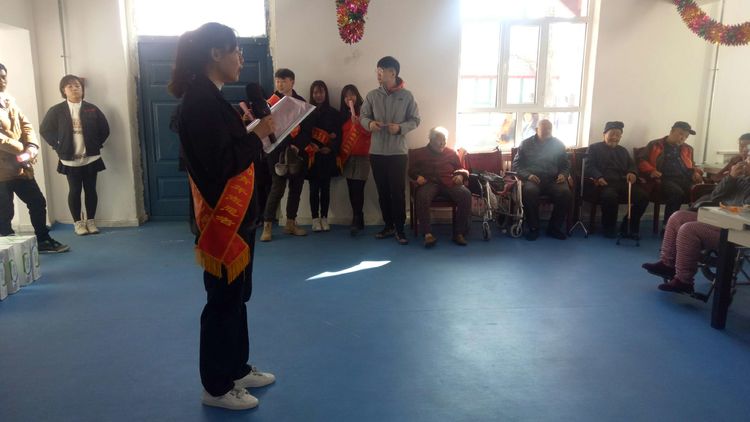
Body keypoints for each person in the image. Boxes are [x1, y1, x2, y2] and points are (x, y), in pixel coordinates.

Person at [169, 22, 275, 410]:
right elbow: (221, 165)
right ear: (215, 53)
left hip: (239, 216)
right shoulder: (200, 102)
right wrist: (257, 135)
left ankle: (236, 368)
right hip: (222, 220)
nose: (241, 59)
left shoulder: (212, 98)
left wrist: (251, 132)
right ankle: (215, 387)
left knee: (237, 297)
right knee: (222, 302)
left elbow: (226, 150)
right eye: (236, 51)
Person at [642, 158, 750, 294]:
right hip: (723, 220)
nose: (746, 161)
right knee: (677, 217)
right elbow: (715, 197)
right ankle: (667, 264)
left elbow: (746, 208)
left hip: (739, 231)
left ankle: (684, 281)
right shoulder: (740, 179)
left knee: (689, 229)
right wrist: (731, 178)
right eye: (748, 157)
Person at [0, 63, 69, 253]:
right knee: (4, 212)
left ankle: (43, 240)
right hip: (2, 171)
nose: (2, 80)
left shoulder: (8, 99)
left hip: (20, 167)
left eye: (4, 76)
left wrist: (31, 147)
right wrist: (22, 149)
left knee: (37, 202)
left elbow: (26, 125)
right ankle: (9, 251)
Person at [361, 56, 420, 245]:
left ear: (392, 73)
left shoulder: (407, 96)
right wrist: (370, 124)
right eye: (377, 70)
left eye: (381, 71)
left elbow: (415, 120)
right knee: (383, 191)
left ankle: (400, 229)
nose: (377, 74)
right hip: (377, 152)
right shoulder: (372, 95)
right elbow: (363, 117)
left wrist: (400, 128)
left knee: (397, 192)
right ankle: (388, 226)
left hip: (398, 153)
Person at [40, 74, 110, 236]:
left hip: (91, 157)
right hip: (69, 159)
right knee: (75, 190)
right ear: (63, 90)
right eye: (70, 86)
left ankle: (91, 221)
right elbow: (45, 130)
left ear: (82, 89)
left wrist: (95, 144)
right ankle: (78, 223)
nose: (74, 89)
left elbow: (105, 129)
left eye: (77, 86)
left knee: (91, 189)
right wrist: (57, 145)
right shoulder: (57, 110)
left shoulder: (91, 108)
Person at [260, 68, 310, 241]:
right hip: (276, 151)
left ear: (292, 82)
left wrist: (297, 146)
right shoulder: (269, 104)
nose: (280, 84)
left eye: (284, 81)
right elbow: (264, 128)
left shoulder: (301, 102)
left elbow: (307, 129)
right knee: (277, 188)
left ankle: (291, 223)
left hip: (296, 151)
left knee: (296, 188)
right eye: (278, 81)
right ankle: (267, 226)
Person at [409, 127, 471, 247]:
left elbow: (461, 169)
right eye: (439, 140)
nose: (442, 143)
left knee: (465, 194)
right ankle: (427, 234)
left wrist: (460, 176)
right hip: (429, 183)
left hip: (449, 182)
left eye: (444, 140)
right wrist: (417, 177)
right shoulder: (419, 153)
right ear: (431, 140)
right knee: (422, 196)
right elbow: (411, 171)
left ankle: (459, 233)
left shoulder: (451, 153)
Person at [512, 119, 572, 241]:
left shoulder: (558, 144)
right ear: (536, 130)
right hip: (533, 179)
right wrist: (528, 176)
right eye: (544, 129)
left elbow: (566, 165)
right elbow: (516, 165)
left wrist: (563, 174)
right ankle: (534, 228)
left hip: (553, 179)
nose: (547, 131)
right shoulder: (525, 144)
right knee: (529, 192)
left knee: (565, 193)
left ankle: (554, 228)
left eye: (549, 129)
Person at [586, 121, 648, 238]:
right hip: (604, 183)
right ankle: (609, 228)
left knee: (643, 197)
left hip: (622, 182)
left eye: (618, 135)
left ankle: (628, 225)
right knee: (610, 197)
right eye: (612, 134)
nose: (615, 137)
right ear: (604, 134)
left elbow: (632, 165)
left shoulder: (622, 150)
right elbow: (589, 166)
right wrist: (598, 176)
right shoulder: (594, 148)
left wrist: (632, 173)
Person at [637, 121, 703, 227]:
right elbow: (641, 161)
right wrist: (651, 170)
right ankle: (668, 226)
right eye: (681, 134)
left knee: (699, 192)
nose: (683, 138)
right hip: (664, 179)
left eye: (686, 136)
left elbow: (692, 165)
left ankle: (693, 225)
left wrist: (695, 172)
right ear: (672, 131)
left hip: (685, 178)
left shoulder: (688, 148)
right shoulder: (655, 144)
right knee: (677, 193)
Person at [305, 80, 340, 232]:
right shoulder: (306, 112)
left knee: (325, 189)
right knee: (313, 189)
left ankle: (324, 218)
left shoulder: (334, 113)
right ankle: (314, 219)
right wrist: (312, 147)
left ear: (326, 93)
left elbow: (338, 135)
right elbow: (303, 134)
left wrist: (330, 147)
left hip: (327, 156)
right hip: (312, 156)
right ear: (312, 94)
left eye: (321, 92)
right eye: (315, 92)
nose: (318, 95)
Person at [338, 84, 371, 236]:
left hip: (362, 156)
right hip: (347, 156)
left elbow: (370, 133)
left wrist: (359, 124)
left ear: (357, 96)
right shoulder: (342, 116)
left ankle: (357, 218)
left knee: (358, 189)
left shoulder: (365, 113)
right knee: (351, 189)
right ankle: (358, 217)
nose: (349, 98)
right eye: (346, 96)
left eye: (352, 95)